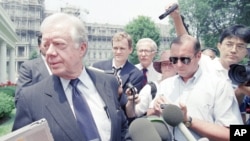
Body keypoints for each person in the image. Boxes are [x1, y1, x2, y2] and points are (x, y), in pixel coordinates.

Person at [12, 13, 131, 141]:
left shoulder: (108, 83)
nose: (50, 53)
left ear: (82, 48)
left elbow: (122, 131)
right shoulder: (31, 98)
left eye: (59, 44)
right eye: (46, 45)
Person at [148, 34, 243, 141]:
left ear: (198, 56)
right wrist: (155, 110)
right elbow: (150, 116)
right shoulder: (166, 85)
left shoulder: (219, 86)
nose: (178, 65)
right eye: (174, 59)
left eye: (185, 59)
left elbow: (234, 134)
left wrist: (187, 120)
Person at [92, 32, 143, 112]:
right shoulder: (97, 67)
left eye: (122, 48)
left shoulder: (136, 75)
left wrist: (119, 92)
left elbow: (130, 106)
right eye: (115, 48)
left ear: (130, 50)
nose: (118, 52)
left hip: (119, 118)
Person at [126, 50, 176, 118]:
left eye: (171, 64)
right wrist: (131, 102)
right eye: (164, 64)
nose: (167, 67)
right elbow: (133, 113)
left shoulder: (185, 86)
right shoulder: (151, 88)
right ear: (160, 67)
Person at [15, 33, 51, 100]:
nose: (49, 47)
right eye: (46, 45)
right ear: (39, 46)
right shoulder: (28, 67)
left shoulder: (64, 65)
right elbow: (20, 97)